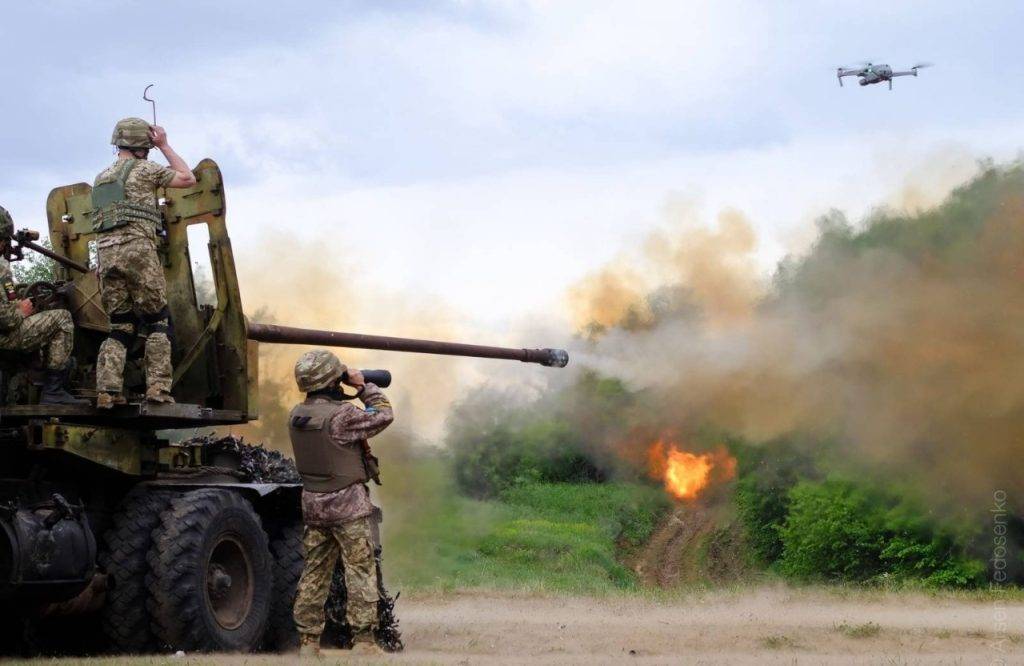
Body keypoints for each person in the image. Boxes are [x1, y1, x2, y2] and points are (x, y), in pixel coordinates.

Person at [288, 349, 392, 657]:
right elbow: (384, 414)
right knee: (359, 571)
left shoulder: (297, 414)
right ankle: (363, 642)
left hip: (314, 508)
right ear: (332, 379)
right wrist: (363, 387)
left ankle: (308, 642)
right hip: (348, 507)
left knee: (314, 574)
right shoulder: (342, 416)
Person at [92, 117, 196, 408]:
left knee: (120, 326)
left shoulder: (101, 178)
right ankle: (158, 389)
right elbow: (188, 178)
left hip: (106, 256)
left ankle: (107, 392)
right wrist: (165, 145)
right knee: (157, 321)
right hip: (138, 252)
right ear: (142, 146)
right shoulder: (146, 169)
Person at [0, 205, 87, 405]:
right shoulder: (1, 269)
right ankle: (54, 391)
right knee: (62, 319)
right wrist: (21, 310)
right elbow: (6, 320)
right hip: (4, 339)